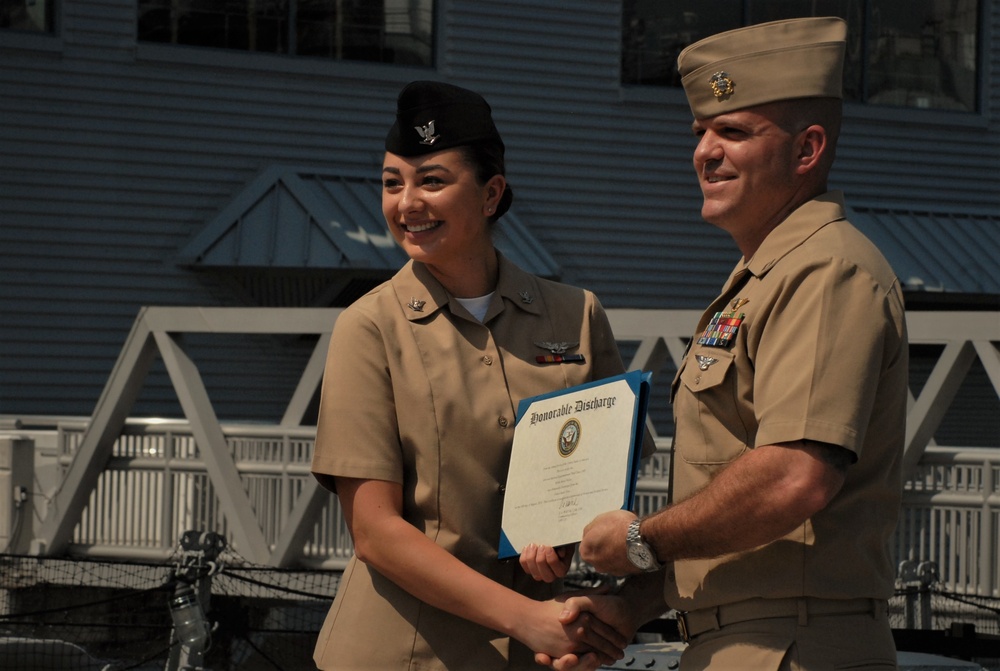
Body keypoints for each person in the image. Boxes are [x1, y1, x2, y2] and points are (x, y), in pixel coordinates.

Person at [539, 17, 908, 671]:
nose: (704, 152)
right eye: (701, 133)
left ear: (807, 149)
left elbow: (795, 476)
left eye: (733, 132)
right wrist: (631, 603)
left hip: (792, 646)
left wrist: (640, 538)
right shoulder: (765, 278)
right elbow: (743, 522)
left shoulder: (825, 269)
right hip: (748, 640)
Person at [310, 80, 639, 670]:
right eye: (392, 183)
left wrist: (566, 537)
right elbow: (375, 532)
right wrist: (527, 618)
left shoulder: (577, 315)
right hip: (403, 654)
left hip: (541, 650)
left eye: (431, 181)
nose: (406, 203)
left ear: (491, 195)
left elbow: (604, 472)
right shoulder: (369, 328)